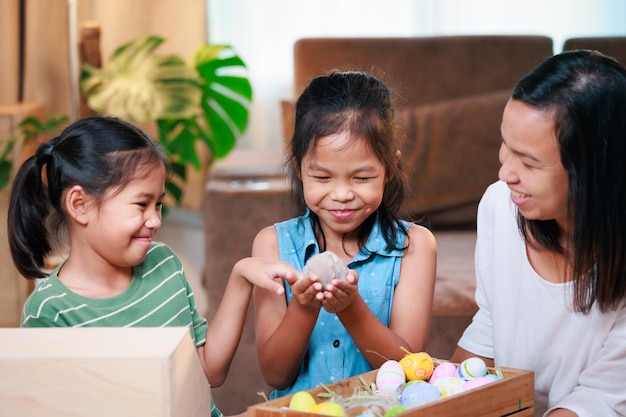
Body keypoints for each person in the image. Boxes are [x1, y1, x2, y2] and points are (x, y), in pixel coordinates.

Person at [8, 116, 302, 417]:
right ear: (80, 205)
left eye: (158, 204)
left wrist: (241, 277)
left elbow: (208, 371)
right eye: (141, 204)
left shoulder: (164, 264)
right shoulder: (49, 312)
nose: (155, 221)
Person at [450, 50, 626, 417]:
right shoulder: (500, 205)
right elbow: (491, 321)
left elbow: (601, 399)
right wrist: (443, 399)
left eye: (528, 162)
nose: (505, 174)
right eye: (505, 146)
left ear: (592, 175)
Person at [252, 71, 437, 398]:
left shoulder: (414, 247)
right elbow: (275, 374)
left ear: (389, 168)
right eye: (322, 177)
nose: (341, 195)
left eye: (362, 178)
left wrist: (350, 308)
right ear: (299, 167)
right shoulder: (272, 244)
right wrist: (305, 307)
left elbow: (410, 369)